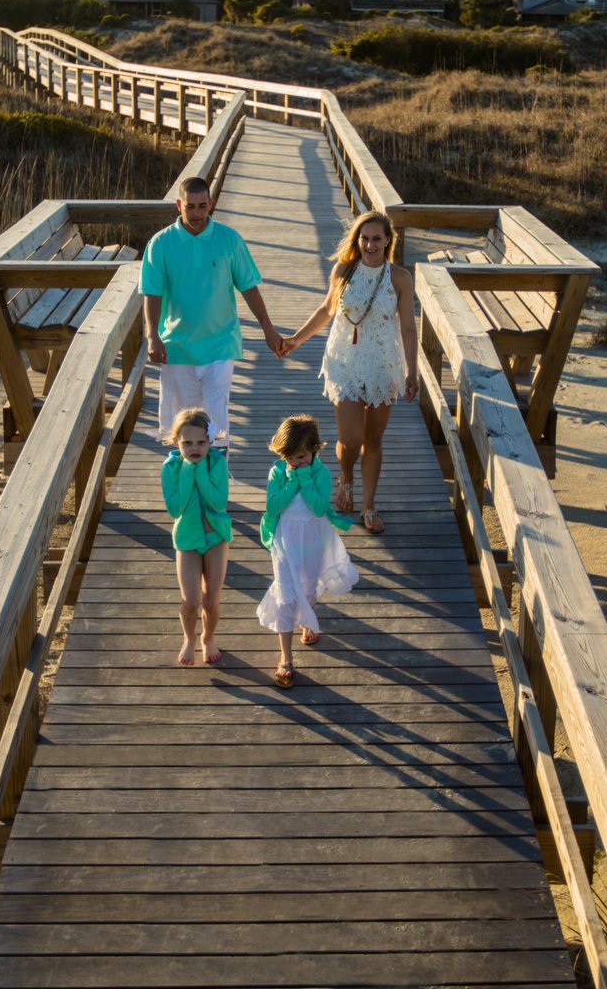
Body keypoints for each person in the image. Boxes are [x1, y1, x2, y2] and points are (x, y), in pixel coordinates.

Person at [279, 210, 419, 533]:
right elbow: (327, 309)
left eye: (377, 239)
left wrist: (412, 372)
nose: (370, 244)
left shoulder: (399, 278)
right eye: (364, 238)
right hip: (345, 362)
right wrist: (296, 340)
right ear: (357, 239)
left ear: (387, 241)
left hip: (383, 364)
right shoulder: (343, 270)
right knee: (351, 438)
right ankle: (346, 475)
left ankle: (369, 507)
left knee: (374, 438)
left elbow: (409, 328)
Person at [141, 176, 284, 451]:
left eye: (202, 206)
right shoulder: (160, 244)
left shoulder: (229, 239)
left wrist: (268, 328)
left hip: (220, 343)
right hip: (177, 345)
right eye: (190, 207)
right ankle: (184, 484)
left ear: (211, 204)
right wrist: (152, 336)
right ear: (178, 205)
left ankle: (217, 482)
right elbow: (151, 293)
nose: (197, 214)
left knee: (216, 418)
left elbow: (249, 288)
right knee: (182, 422)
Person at [256, 414, 357, 688]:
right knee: (286, 596)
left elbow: (317, 506)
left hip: (313, 538)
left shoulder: (322, 473)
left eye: (300, 457)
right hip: (285, 539)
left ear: (314, 450)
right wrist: (291, 481)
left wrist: (306, 480)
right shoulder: (278, 471)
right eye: (290, 457)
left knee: (308, 590)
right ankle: (286, 657)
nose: (295, 462)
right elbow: (273, 507)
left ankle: (308, 620)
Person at [160, 407, 232, 667]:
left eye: (201, 442)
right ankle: (189, 638)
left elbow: (218, 503)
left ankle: (207, 638)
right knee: (191, 601)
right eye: (187, 443)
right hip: (188, 540)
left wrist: (199, 470)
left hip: (216, 538)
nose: (195, 449)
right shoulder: (170, 468)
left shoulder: (217, 463)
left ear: (211, 441)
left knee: (211, 600)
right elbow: (175, 509)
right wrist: (188, 471)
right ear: (176, 442)